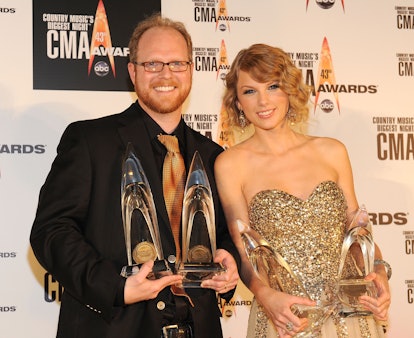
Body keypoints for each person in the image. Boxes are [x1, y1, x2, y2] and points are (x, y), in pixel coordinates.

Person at [30, 13, 240, 338]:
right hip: (116, 328)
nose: (165, 74)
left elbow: (226, 235)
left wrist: (229, 262)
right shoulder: (90, 141)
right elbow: (52, 231)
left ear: (191, 70)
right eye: (152, 64)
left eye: (176, 63)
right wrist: (117, 287)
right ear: (132, 71)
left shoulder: (213, 156)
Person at [214, 43, 391, 338]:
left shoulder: (331, 151)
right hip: (284, 318)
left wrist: (380, 272)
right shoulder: (230, 164)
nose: (262, 101)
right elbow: (245, 254)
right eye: (249, 91)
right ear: (237, 103)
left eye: (272, 86)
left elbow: (358, 232)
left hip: (349, 316)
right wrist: (265, 296)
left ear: (288, 90)